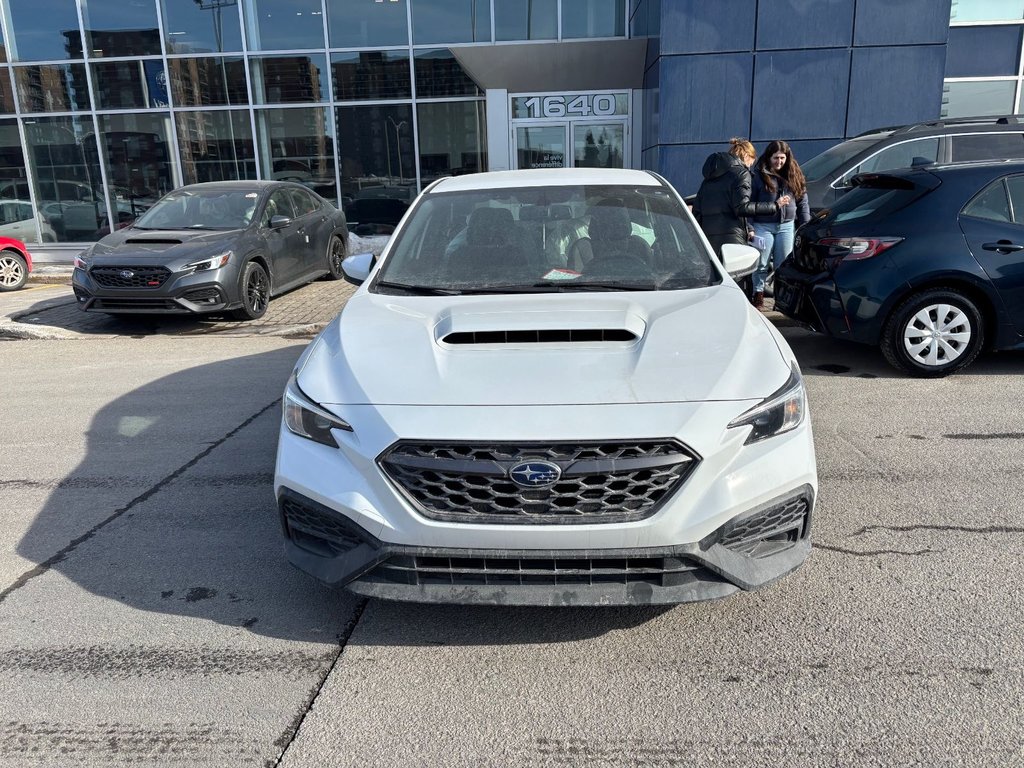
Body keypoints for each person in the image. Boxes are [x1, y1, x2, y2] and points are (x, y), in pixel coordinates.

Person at [692, 138, 790, 269]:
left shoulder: (708, 180)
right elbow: (742, 207)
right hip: (733, 239)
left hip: (709, 240)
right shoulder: (741, 173)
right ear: (746, 156)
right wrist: (774, 205)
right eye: (751, 161)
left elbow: (697, 211)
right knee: (738, 282)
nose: (750, 166)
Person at [748, 140, 812, 309]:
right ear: (769, 157)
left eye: (782, 158)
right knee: (761, 263)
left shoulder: (794, 173)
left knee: (782, 265)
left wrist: (805, 224)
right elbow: (750, 204)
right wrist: (750, 227)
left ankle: (781, 299)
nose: (779, 162)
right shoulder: (758, 175)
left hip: (786, 225)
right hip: (763, 224)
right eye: (776, 158)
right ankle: (758, 294)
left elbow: (802, 201)